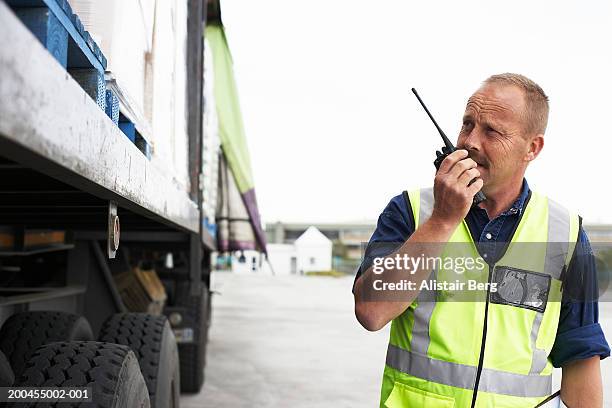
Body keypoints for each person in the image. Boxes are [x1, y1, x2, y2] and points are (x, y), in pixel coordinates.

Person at [353, 73, 610, 407]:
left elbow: (581, 356)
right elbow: (371, 311)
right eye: (467, 124)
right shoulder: (410, 212)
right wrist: (442, 220)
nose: (471, 141)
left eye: (492, 131)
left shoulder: (566, 236)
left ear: (532, 148)